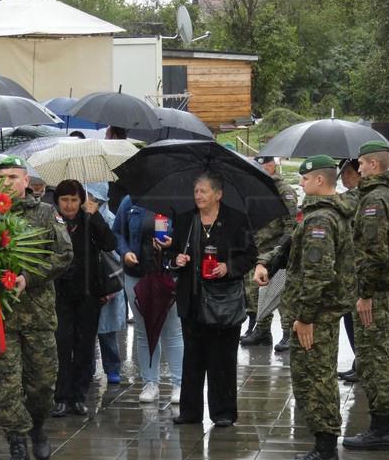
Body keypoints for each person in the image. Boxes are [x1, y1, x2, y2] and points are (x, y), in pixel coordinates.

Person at [254, 156, 355, 460]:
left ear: (321, 181)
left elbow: (317, 274)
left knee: (317, 379)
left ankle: (325, 450)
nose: (301, 183)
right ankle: (322, 445)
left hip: (316, 315)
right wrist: (268, 263)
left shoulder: (321, 220)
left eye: (306, 178)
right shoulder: (316, 216)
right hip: (318, 312)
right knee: (312, 377)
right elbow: (290, 244)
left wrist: (305, 317)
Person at [0, 155, 73, 460]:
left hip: (37, 315)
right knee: (7, 389)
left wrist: (30, 276)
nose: (7, 183)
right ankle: (17, 453)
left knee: (41, 386)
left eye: (13, 176)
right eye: (1, 177)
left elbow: (63, 254)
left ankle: (38, 425)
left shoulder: (45, 213)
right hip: (1, 318)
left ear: (26, 181)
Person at [172, 172, 257, 427]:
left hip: (224, 301)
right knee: (193, 357)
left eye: (204, 191)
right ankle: (190, 411)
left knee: (223, 357)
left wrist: (227, 267)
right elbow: (173, 251)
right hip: (192, 298)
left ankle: (223, 412)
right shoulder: (187, 219)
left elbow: (250, 255)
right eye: (196, 191)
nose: (198, 196)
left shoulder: (236, 220)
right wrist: (177, 259)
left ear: (218, 194)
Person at [343, 140, 389, 450]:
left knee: (373, 356)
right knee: (377, 354)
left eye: (363, 164)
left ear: (375, 166)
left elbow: (374, 252)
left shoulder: (374, 200)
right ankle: (384, 422)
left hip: (373, 291)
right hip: (382, 287)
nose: (360, 169)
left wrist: (364, 293)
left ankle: (382, 427)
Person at [51, 179, 117, 417]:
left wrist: (95, 216)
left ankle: (78, 396)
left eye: (74, 200)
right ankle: (60, 396)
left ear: (81, 201)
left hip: (88, 293)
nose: (69, 206)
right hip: (59, 294)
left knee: (84, 346)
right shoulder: (51, 221)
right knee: (61, 344)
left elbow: (110, 243)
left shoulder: (88, 220)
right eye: (64, 200)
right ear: (57, 201)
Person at [113, 195, 183, 403]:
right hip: (137, 275)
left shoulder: (177, 200)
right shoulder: (130, 201)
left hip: (168, 274)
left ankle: (179, 383)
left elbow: (188, 236)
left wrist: (172, 244)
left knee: (172, 330)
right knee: (144, 331)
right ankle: (150, 382)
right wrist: (125, 252)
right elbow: (117, 232)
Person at [241, 156, 298, 350]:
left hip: (277, 251)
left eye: (263, 165)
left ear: (272, 166)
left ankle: (289, 333)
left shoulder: (284, 191)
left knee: (282, 296)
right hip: (258, 250)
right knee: (258, 294)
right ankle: (262, 331)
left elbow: (291, 225)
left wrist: (280, 250)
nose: (260, 169)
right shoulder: (258, 189)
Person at [87, 183, 124, 384]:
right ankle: (89, 367)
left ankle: (113, 368)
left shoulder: (110, 220)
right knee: (87, 331)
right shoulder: (81, 219)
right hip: (89, 283)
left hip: (108, 281)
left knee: (107, 332)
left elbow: (117, 253)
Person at [338, 159, 361, 382]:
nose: (344, 176)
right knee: (349, 318)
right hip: (347, 271)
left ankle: (361, 363)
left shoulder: (358, 195)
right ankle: (358, 361)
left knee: (356, 320)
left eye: (348, 172)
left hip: (357, 270)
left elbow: (343, 208)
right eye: (341, 173)